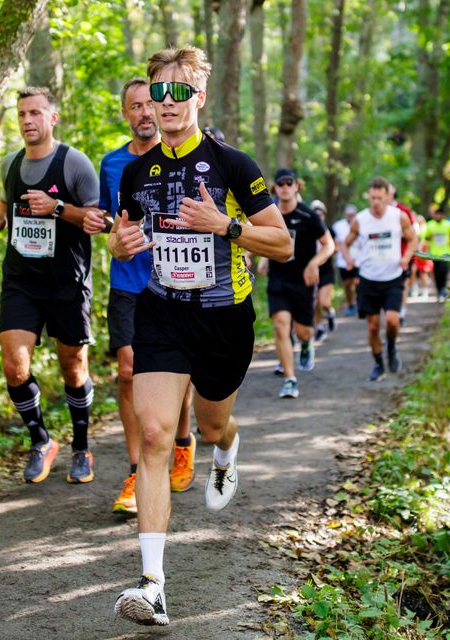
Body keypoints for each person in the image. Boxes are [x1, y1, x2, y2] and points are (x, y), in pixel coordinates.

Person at [109, 45, 292, 626]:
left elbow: (282, 243)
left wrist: (226, 225)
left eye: (178, 91)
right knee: (156, 433)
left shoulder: (235, 165)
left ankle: (227, 448)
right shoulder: (138, 172)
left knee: (212, 422)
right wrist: (120, 245)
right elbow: (126, 233)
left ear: (198, 97)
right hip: (162, 312)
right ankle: (152, 584)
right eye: (157, 92)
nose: (165, 103)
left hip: (223, 320)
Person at [0, 87, 101, 485]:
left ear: (53, 118)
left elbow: (98, 220)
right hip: (22, 281)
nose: (27, 120)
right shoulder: (11, 163)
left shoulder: (74, 164)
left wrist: (59, 208)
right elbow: (5, 201)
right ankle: (42, 441)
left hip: (67, 281)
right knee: (14, 367)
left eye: (35, 113)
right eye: (21, 114)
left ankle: (81, 447)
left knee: (73, 367)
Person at [84, 78, 196, 515]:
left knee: (179, 371)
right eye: (135, 106)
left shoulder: (181, 157)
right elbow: (108, 215)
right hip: (129, 282)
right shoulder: (112, 164)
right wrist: (97, 221)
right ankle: (136, 470)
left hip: (175, 279)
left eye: (150, 104)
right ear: (126, 114)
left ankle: (182, 441)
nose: (145, 113)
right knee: (128, 373)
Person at [264, 170, 334, 399]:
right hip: (278, 279)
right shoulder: (269, 214)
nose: (285, 187)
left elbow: (328, 245)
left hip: (302, 280)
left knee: (304, 331)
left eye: (289, 183)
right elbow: (261, 237)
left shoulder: (308, 215)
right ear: (275, 188)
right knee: (281, 325)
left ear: (297, 187)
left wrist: (314, 264)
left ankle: (306, 343)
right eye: (281, 183)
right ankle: (290, 379)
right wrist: (263, 257)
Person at [342, 177, 417, 382]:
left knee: (392, 321)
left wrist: (406, 257)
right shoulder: (361, 219)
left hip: (392, 278)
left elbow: (412, 239)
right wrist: (349, 260)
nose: (375, 202)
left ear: (387, 197)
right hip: (368, 279)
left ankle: (391, 346)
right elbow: (345, 243)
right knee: (373, 326)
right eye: (372, 198)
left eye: (379, 198)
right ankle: (378, 363)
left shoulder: (398, 216)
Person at [388, 184, 416, 326]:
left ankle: (402, 314)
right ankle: (391, 315)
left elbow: (413, 234)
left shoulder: (403, 211)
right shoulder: (376, 213)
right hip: (384, 258)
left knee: (403, 286)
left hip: (402, 255)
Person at [309, 199, 337, 343]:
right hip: (313, 271)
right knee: (315, 303)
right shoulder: (308, 230)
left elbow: (336, 246)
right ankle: (319, 327)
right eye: (315, 213)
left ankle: (330, 312)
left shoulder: (329, 230)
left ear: (324, 215)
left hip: (326, 271)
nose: (318, 216)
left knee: (324, 302)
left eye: (320, 213)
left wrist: (326, 252)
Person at [331, 204, 359, 315]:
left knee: (357, 282)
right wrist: (337, 248)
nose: (350, 217)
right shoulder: (338, 226)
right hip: (342, 261)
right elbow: (334, 240)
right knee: (347, 283)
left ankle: (360, 302)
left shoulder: (361, 223)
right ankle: (350, 304)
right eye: (348, 215)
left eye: (352, 215)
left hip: (358, 260)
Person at [422, 208, 450, 302]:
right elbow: (426, 238)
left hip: (446, 252)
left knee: (444, 271)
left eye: (439, 214)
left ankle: (443, 289)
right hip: (434, 253)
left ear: (442, 215)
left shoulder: (448, 224)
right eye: (436, 214)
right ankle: (439, 290)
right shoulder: (430, 225)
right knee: (436, 273)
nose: (437, 216)